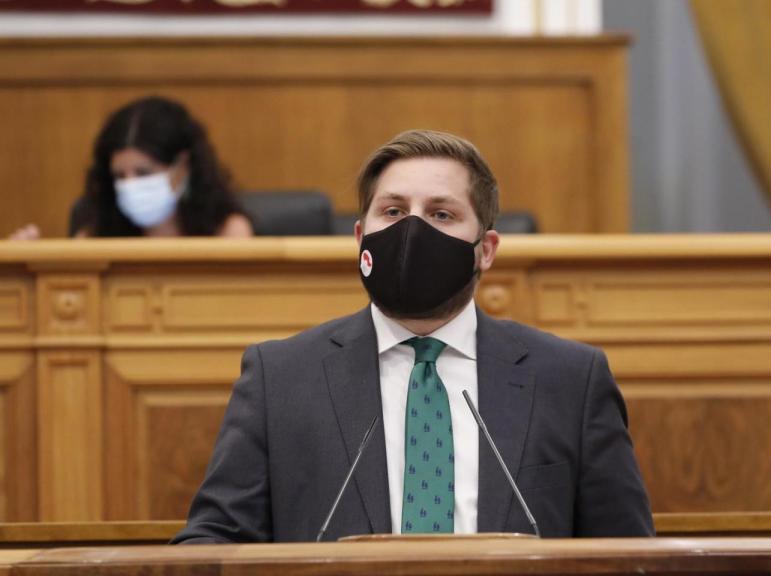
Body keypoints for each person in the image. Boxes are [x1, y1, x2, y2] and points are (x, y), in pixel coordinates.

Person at [173, 130, 652, 543]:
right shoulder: (279, 379)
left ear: (485, 250)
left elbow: (630, 555)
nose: (412, 230)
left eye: (441, 214)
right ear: (360, 238)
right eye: (394, 211)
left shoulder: (569, 379)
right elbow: (212, 543)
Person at [8, 96, 251, 239]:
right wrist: (23, 268)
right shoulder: (94, 238)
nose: (130, 185)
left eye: (143, 173)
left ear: (183, 167)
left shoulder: (229, 233)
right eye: (119, 176)